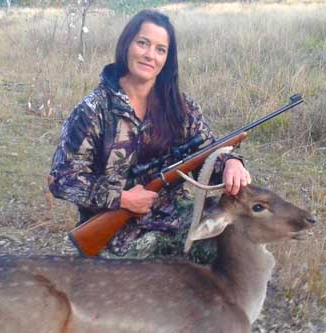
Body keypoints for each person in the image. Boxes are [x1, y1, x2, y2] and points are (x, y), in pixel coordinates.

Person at [48, 10, 251, 261]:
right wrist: (121, 199)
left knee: (235, 241)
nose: (149, 55)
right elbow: (62, 179)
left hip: (172, 217)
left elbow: (208, 153)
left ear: (167, 58)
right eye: (143, 43)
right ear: (127, 45)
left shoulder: (179, 106)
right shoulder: (93, 110)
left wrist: (231, 161)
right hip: (117, 235)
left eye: (160, 49)